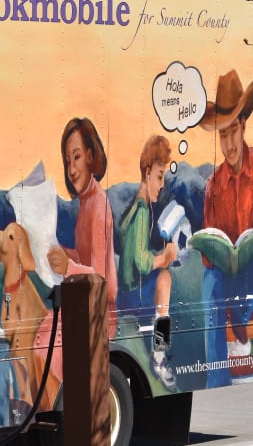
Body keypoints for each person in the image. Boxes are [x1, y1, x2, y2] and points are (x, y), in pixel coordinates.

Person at [197, 70, 253, 388]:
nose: (229, 143)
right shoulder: (213, 184)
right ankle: (216, 376)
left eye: (232, 131)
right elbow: (210, 242)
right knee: (209, 284)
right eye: (222, 135)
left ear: (243, 127)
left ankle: (244, 309)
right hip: (227, 271)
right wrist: (213, 253)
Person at [118, 134, 179, 390]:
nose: (162, 183)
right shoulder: (142, 212)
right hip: (131, 295)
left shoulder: (133, 207)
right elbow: (142, 263)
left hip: (124, 291)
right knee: (165, 278)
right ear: (146, 173)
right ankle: (159, 354)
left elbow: (133, 249)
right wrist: (165, 257)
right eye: (159, 176)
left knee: (162, 274)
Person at [47, 117, 118, 334]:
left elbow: (101, 280)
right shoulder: (86, 202)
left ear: (90, 155)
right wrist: (63, 255)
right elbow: (85, 257)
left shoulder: (98, 205)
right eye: (67, 161)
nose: (71, 169)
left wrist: (67, 267)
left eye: (76, 157)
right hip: (86, 304)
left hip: (101, 316)